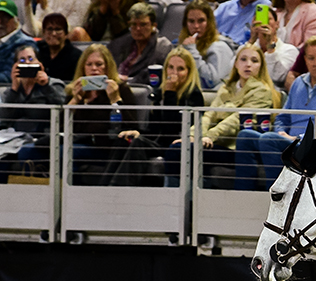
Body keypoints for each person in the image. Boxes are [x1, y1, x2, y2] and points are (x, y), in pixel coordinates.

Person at [235, 35, 316, 190]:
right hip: (288, 142)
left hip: (314, 147)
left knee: (268, 140)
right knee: (245, 135)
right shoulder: (299, 82)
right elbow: (283, 117)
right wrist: (280, 133)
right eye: (311, 58)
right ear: (305, 59)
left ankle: (275, 196)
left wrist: (299, 138)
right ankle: (244, 193)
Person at [166, 42, 278, 183]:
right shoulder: (226, 88)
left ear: (261, 66)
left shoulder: (263, 91)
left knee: (180, 152)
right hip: (213, 143)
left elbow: (236, 121)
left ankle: (178, 201)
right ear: (236, 63)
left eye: (254, 61)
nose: (248, 64)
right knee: (177, 148)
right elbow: (209, 115)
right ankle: (185, 201)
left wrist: (210, 137)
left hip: (235, 148)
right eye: (243, 59)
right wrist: (193, 135)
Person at [108, 46, 205, 185]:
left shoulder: (194, 96)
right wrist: (138, 132)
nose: (174, 73)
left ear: (189, 72)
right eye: (170, 67)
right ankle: (103, 187)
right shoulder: (159, 93)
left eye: (180, 69)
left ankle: (118, 190)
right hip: (158, 142)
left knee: (139, 143)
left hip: (175, 145)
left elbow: (172, 128)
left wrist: (171, 94)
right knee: (125, 139)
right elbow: (154, 130)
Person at [64, 43, 137, 183]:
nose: (94, 69)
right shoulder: (75, 90)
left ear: (107, 67)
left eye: (99, 64)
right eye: (89, 64)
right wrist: (75, 100)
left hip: (106, 147)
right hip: (76, 142)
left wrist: (115, 99)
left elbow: (132, 125)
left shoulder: (121, 89)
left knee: (65, 153)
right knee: (29, 151)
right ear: (83, 68)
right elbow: (60, 126)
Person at [1, 43, 65, 181]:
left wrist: (46, 86)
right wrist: (14, 88)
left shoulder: (53, 84)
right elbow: (3, 119)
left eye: (31, 59)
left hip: (43, 137)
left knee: (26, 152)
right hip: (15, 138)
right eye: (22, 60)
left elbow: (63, 109)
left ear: (39, 63)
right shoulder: (12, 90)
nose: (27, 63)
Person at [108, 2, 171, 85]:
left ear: (153, 26)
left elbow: (154, 76)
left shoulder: (162, 47)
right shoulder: (119, 44)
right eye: (134, 24)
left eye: (143, 24)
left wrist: (127, 81)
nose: (138, 29)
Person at [179, 0, 234, 90]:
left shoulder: (220, 47)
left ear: (209, 22)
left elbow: (212, 81)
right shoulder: (185, 44)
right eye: (191, 21)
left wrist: (192, 52)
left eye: (201, 21)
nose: (196, 26)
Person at [250, 5, 298, 87]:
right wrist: (251, 41)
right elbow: (233, 70)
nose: (264, 23)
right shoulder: (248, 47)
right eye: (259, 20)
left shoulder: (290, 50)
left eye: (268, 19)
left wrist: (270, 46)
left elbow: (277, 77)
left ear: (277, 24)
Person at [35, 12, 80, 82]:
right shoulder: (36, 50)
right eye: (49, 29)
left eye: (58, 29)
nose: (53, 34)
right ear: (43, 33)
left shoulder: (77, 56)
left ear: (66, 33)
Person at [0, 0, 36, 84]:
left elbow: (12, 75)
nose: (0, 22)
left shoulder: (25, 44)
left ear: (17, 20)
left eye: (5, 18)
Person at [19, 0, 88, 37]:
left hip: (67, 45)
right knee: (24, 30)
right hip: (46, 40)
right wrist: (27, 6)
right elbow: (35, 31)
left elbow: (67, 31)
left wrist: (45, 8)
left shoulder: (82, 1)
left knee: (78, 31)